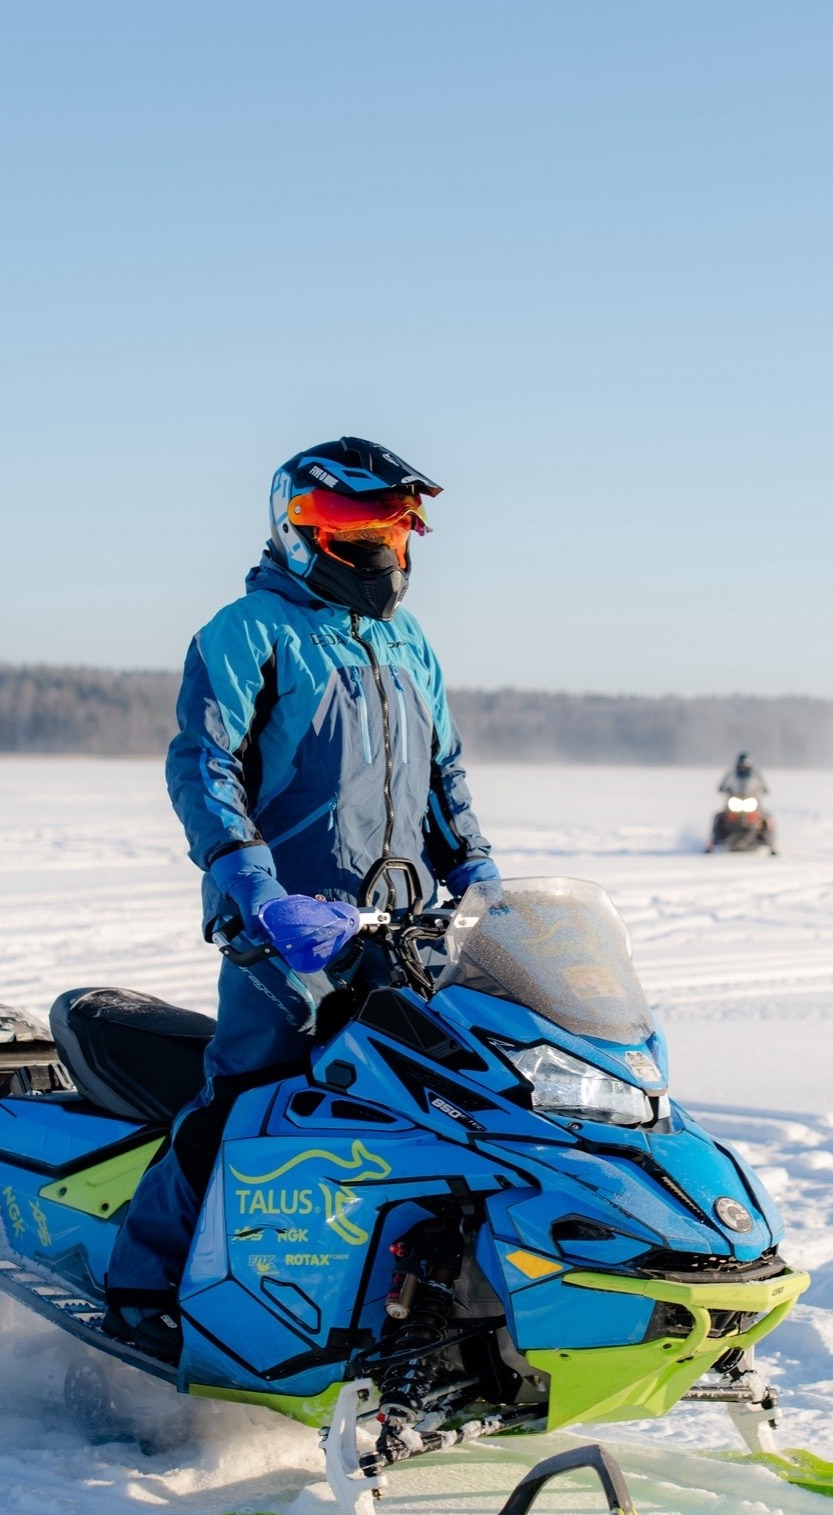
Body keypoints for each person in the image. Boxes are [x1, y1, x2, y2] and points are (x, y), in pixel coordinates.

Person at [102, 438, 498, 1352]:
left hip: (403, 930)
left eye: (391, 526)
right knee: (253, 1098)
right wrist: (255, 888)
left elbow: (444, 772)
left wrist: (473, 861)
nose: (374, 546)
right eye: (350, 525)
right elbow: (205, 769)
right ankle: (144, 1287)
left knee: (437, 1107)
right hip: (289, 933)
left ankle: (427, 1300)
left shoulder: (409, 642)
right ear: (296, 529)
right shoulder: (248, 631)